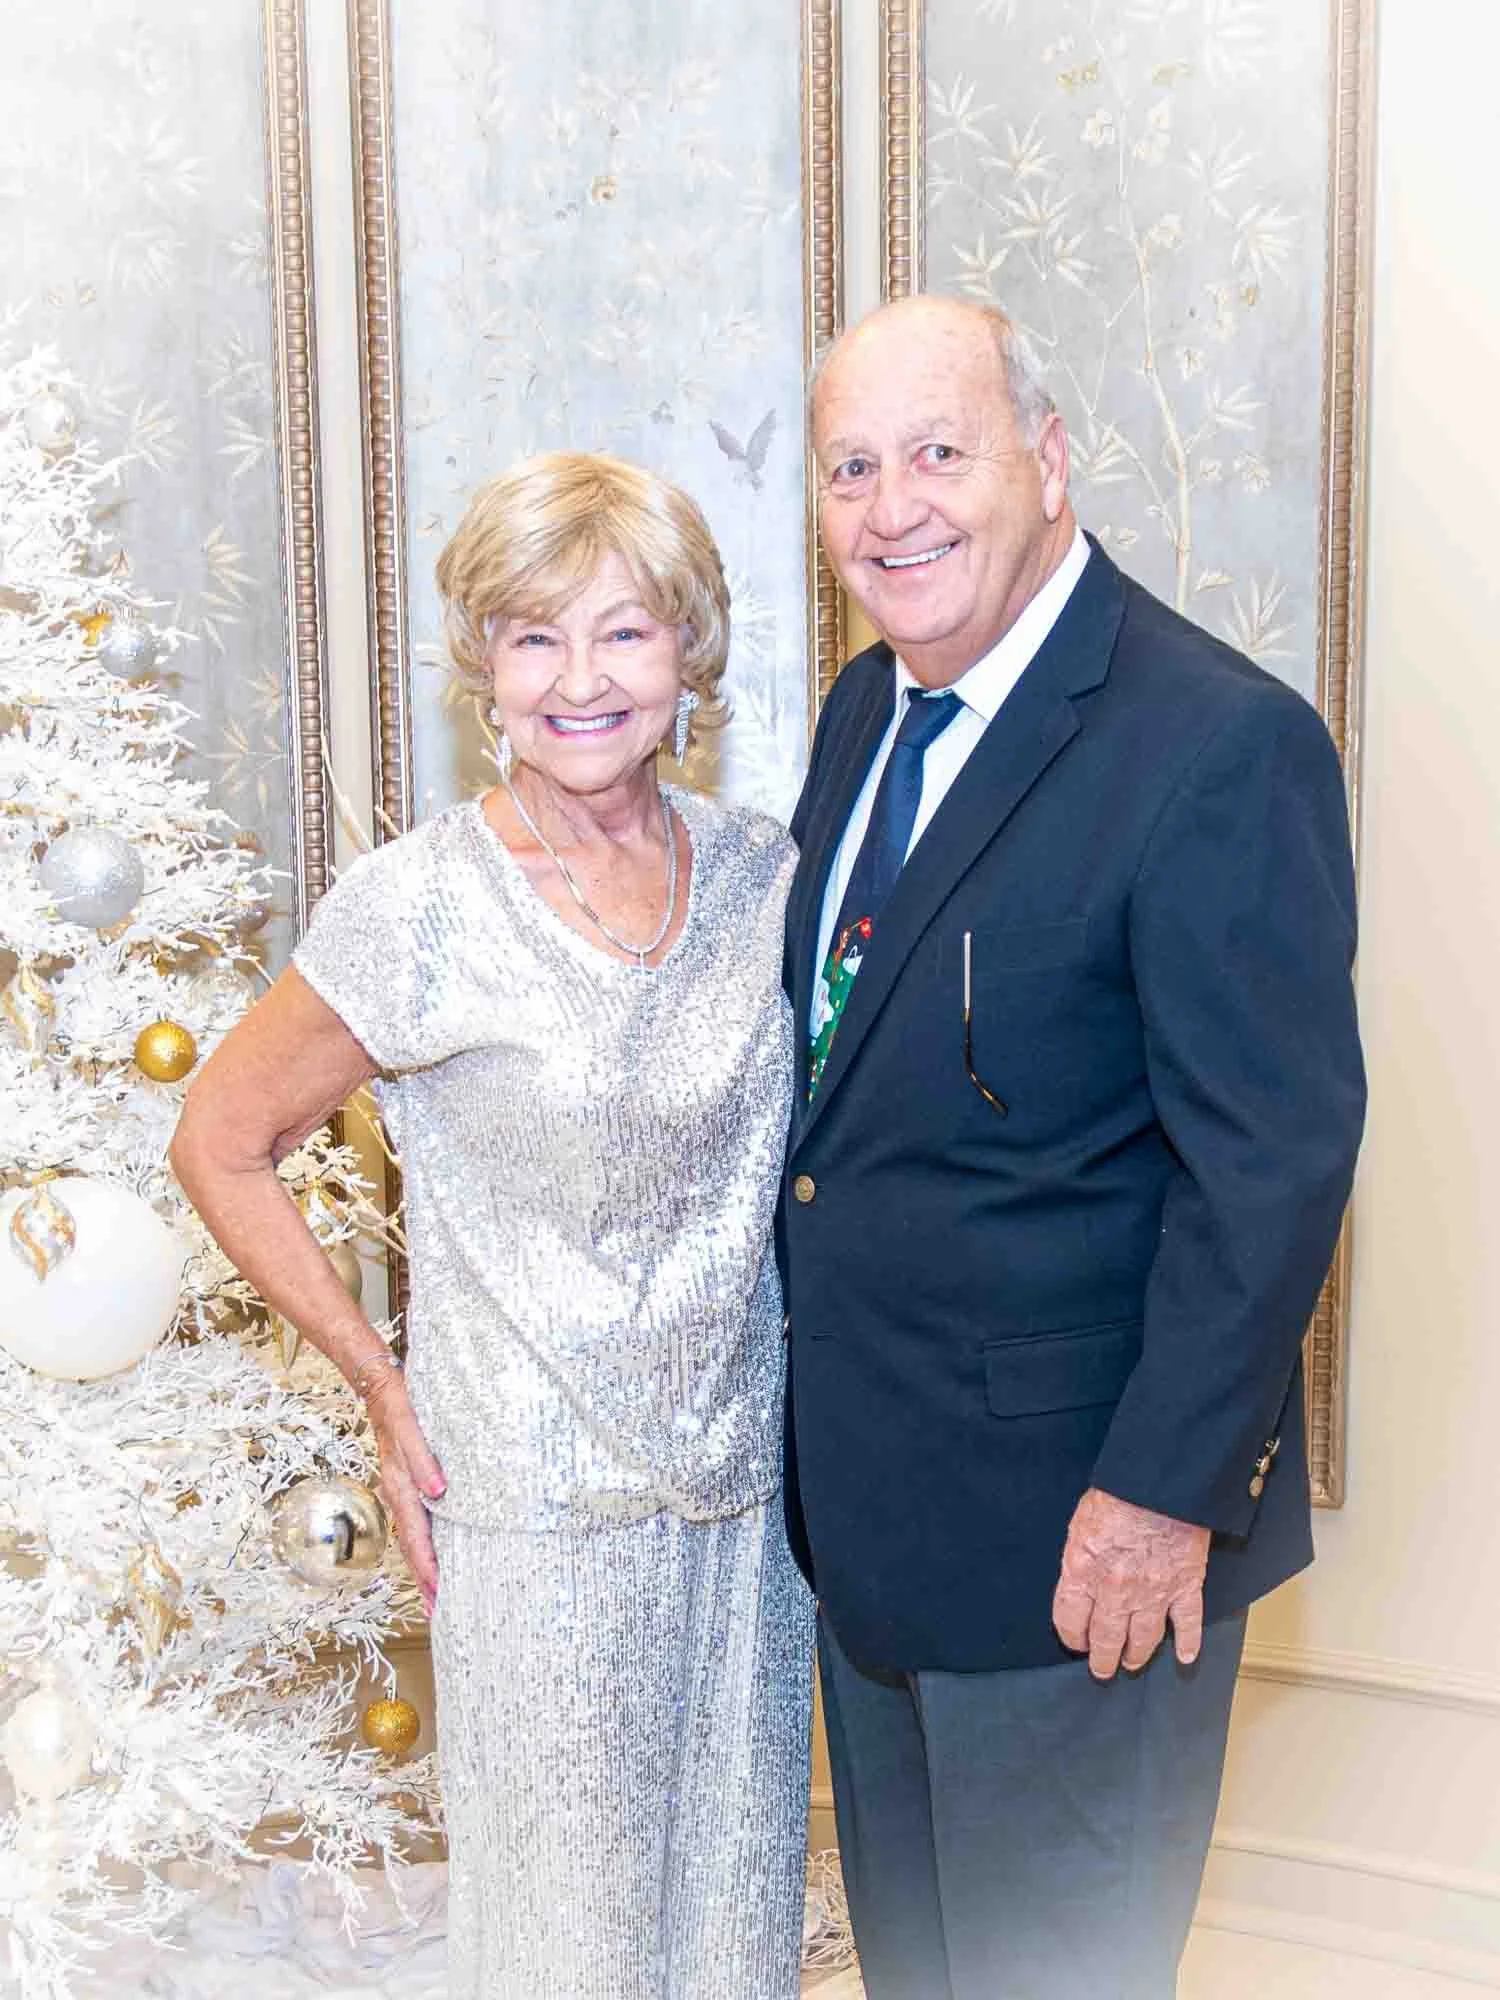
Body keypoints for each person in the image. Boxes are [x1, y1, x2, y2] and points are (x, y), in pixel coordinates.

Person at [779, 295, 1366, 2000]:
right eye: (851, 468)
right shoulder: (860, 716)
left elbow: (1271, 1162)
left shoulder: (1213, 744)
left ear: (1046, 461)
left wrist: (1162, 1496)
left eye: (940, 453)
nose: (896, 508)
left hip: (1083, 1561)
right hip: (879, 1538)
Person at [170, 451, 813, 2000]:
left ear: (690, 656)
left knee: (734, 1941)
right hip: (532, 1527)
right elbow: (220, 1140)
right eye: (536, 636)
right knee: (570, 1959)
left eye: (625, 633)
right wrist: (379, 1385)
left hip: (748, 1519)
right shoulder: (419, 906)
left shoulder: (772, 877)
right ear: (483, 665)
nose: (580, 680)